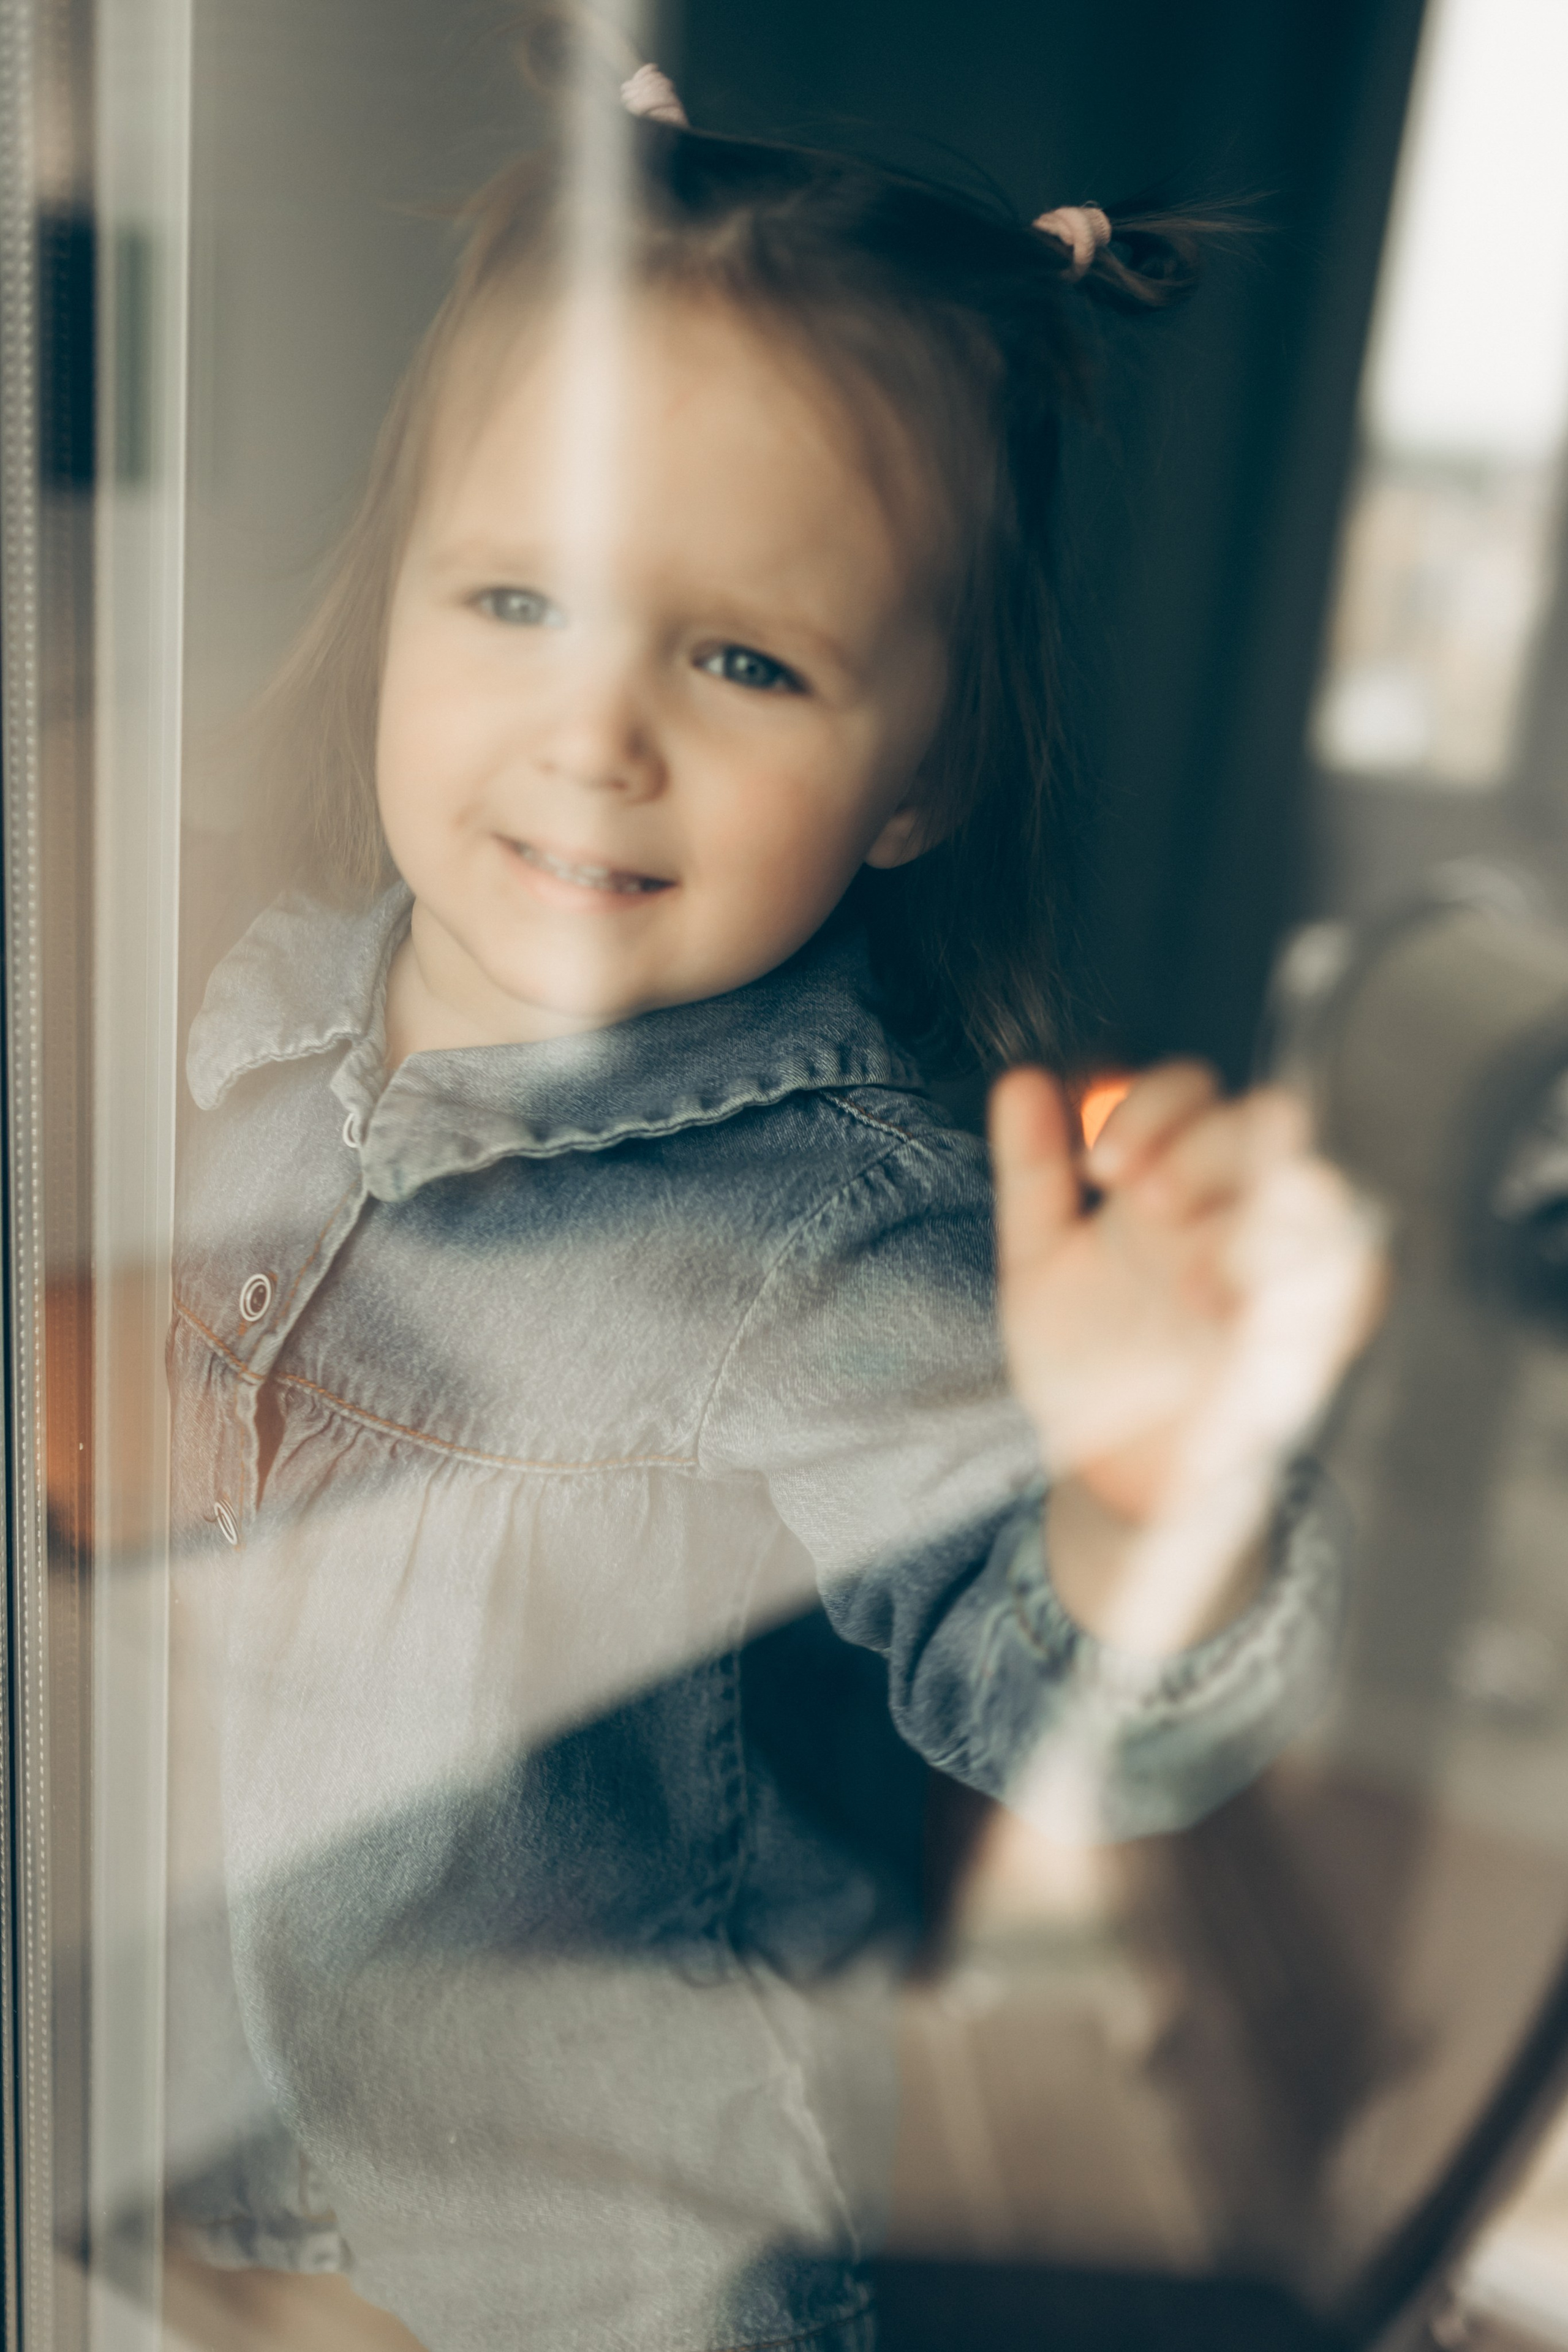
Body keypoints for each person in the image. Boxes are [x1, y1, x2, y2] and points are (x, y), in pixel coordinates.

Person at [165, 50, 1381, 2352]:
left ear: (920, 772)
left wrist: (1146, 1497)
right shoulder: (238, 1034)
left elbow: (1086, 1718)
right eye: (516, 599)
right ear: (396, 589)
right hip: (159, 2203)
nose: (596, 731)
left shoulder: (836, 1248)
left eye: (744, 659)